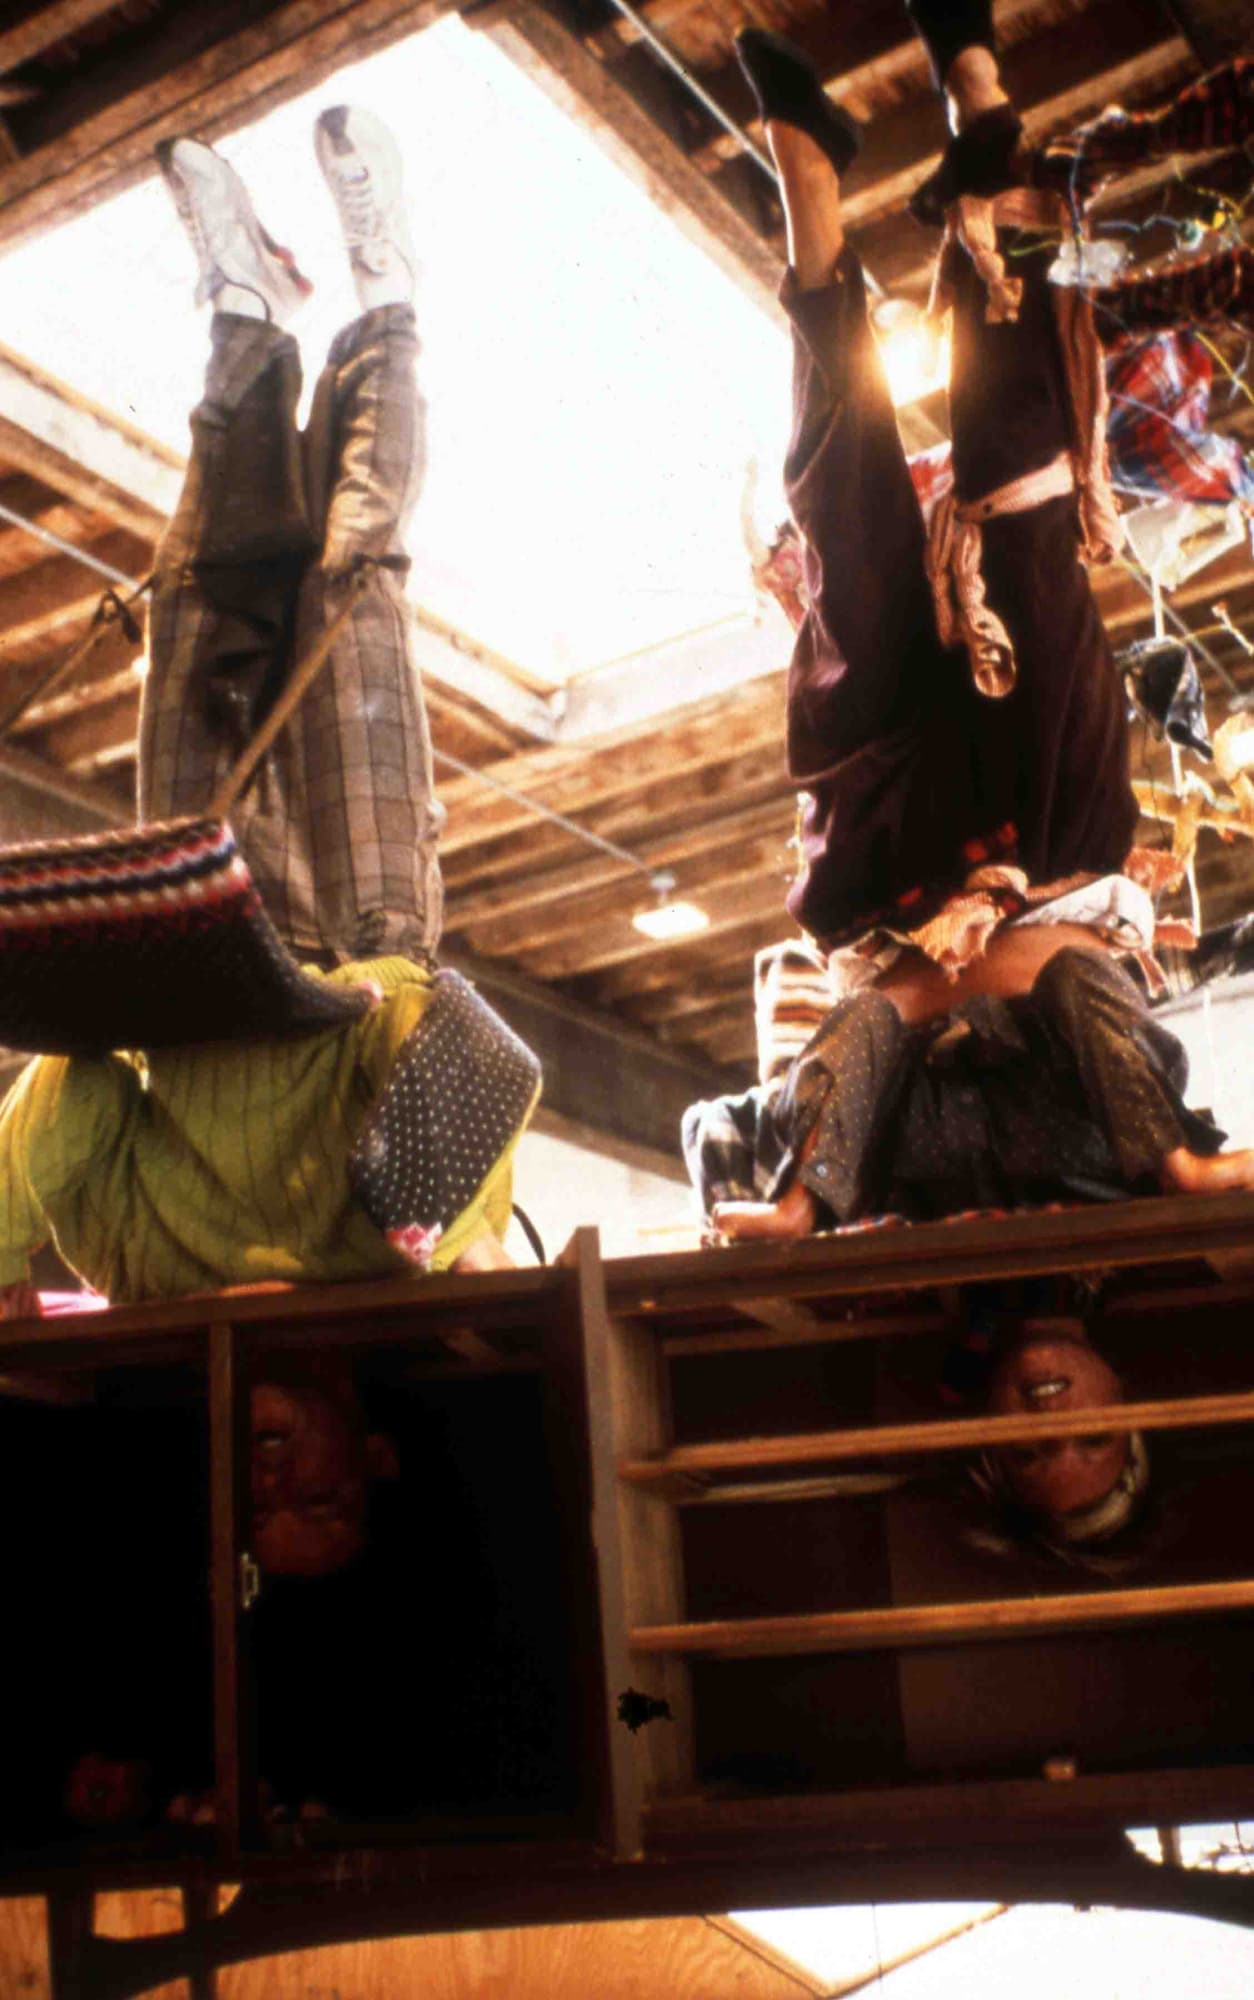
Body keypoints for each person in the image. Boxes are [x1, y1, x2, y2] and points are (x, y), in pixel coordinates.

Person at [683, 1, 1254, 1245]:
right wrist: (1183, 1160)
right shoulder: (1103, 1191)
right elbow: (1086, 999)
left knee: (852, 579)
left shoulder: (906, 1210)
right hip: (1053, 847)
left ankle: (811, 201)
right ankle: (981, 113)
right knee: (1021, 524)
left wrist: (798, 1200)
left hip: (889, 889)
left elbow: (855, 1041)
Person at [0, 113, 541, 1328]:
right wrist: (455, 1243)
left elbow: (76, 1086)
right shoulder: (388, 1262)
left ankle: (243, 314)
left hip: (194, 960)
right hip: (360, 931)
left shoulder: (143, 1273)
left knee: (198, 598)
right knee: (352, 577)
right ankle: (387, 303)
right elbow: (471, 1044)